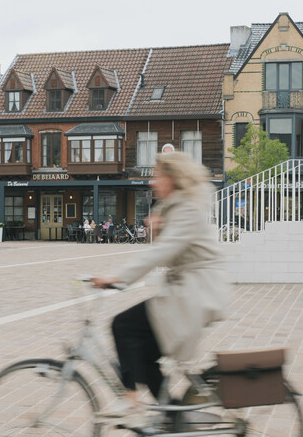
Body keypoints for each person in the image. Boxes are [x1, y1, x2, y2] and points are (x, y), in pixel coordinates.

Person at [91, 152, 229, 426]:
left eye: (158, 176)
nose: (153, 182)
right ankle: (172, 418)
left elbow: (163, 252)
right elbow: (166, 252)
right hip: (186, 291)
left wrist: (118, 277)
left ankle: (131, 403)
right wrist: (155, 228)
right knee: (143, 356)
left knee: (124, 325)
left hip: (194, 293)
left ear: (173, 178)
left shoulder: (187, 209)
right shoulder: (175, 207)